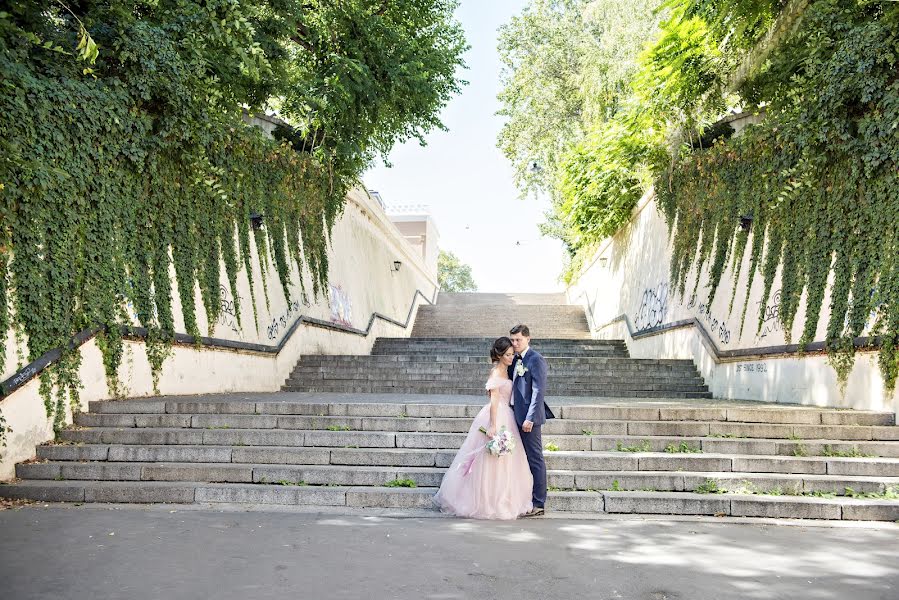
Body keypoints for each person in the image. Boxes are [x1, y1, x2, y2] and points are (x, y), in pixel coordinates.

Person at [432, 337, 534, 519]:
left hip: (506, 414)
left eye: (512, 354)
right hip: (497, 416)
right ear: (500, 356)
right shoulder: (496, 374)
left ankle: (502, 497)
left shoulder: (505, 370)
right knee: (491, 461)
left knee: (506, 462)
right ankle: (488, 501)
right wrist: (493, 425)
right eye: (508, 355)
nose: (512, 358)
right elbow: (494, 402)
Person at [508, 324, 555, 516]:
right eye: (512, 340)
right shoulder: (515, 359)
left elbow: (538, 391)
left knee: (535, 458)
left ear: (528, 339)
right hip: (513, 415)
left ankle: (539, 503)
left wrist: (530, 418)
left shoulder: (535, 359)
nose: (515, 343)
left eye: (518, 339)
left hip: (529, 419)